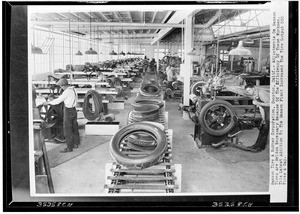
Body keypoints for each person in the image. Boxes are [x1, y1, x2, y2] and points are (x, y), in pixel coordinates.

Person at [43, 78, 80, 153]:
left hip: (68, 111)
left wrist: (49, 103)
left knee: (67, 129)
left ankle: (69, 147)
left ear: (63, 86)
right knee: (74, 127)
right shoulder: (74, 89)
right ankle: (76, 143)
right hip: (74, 110)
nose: (60, 88)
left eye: (60, 86)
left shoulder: (66, 92)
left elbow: (58, 101)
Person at [244, 83, 270, 152]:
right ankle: (257, 145)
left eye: (249, 90)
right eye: (247, 91)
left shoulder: (261, 93)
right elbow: (261, 108)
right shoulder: (254, 95)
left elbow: (271, 104)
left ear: (253, 88)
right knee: (263, 127)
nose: (248, 92)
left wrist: (258, 103)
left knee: (265, 128)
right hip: (266, 110)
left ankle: (260, 147)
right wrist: (263, 119)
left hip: (272, 110)